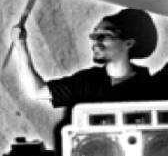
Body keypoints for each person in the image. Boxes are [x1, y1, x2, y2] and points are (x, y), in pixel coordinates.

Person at [12, 8, 158, 108]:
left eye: (104, 35)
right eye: (94, 35)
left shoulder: (150, 88)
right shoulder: (88, 81)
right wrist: (20, 43)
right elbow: (37, 91)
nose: (95, 42)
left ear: (128, 43)